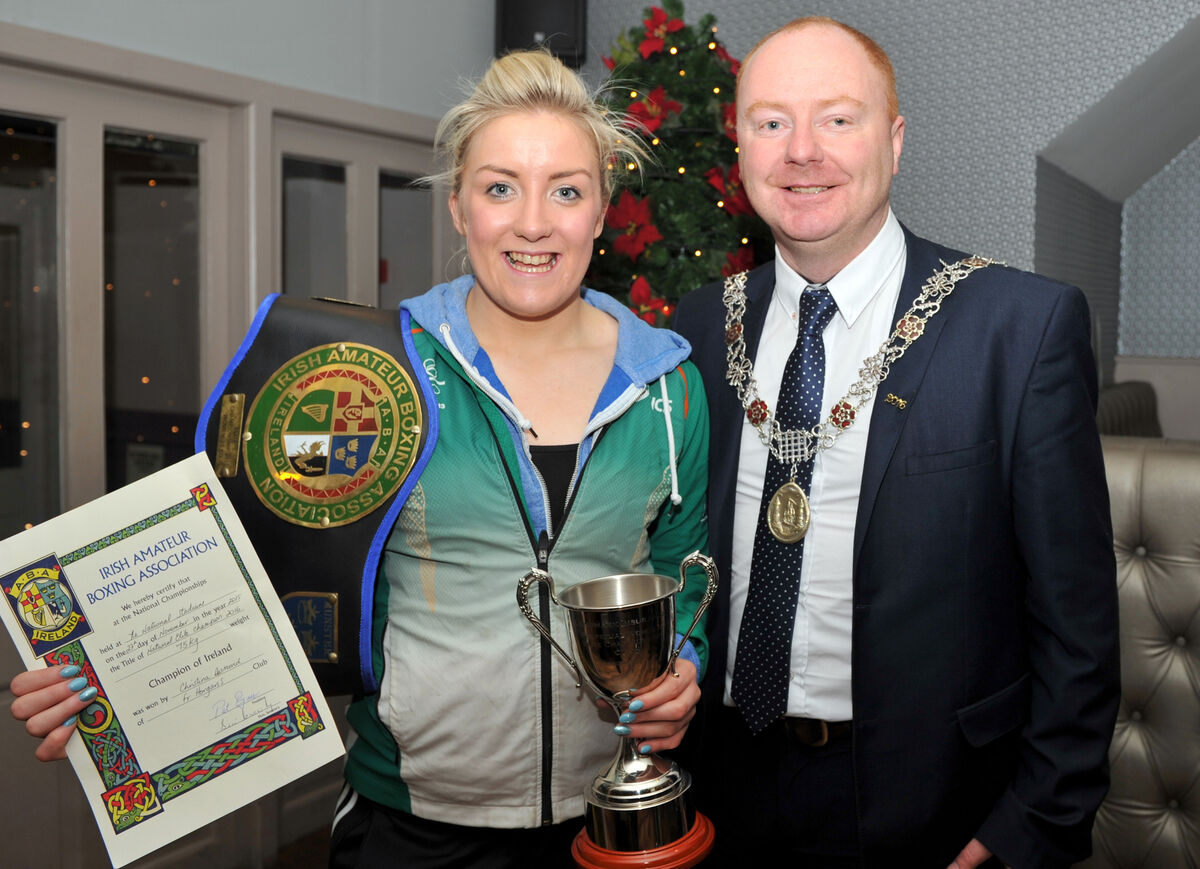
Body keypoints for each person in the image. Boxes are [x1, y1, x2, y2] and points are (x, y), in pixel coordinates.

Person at [11, 49, 712, 868]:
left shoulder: (672, 390)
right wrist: (102, 678)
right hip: (409, 826)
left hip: (614, 821)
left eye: (566, 188)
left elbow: (685, 573)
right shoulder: (363, 372)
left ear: (600, 211)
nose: (532, 222)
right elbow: (238, 574)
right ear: (457, 208)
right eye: (498, 188)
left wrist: (682, 670)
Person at [673, 17, 1119, 869]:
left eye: (838, 118)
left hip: (935, 805)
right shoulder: (699, 324)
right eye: (770, 122)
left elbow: (1079, 621)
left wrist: (1027, 825)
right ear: (739, 150)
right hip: (721, 790)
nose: (802, 151)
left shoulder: (1018, 328)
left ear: (896, 139)